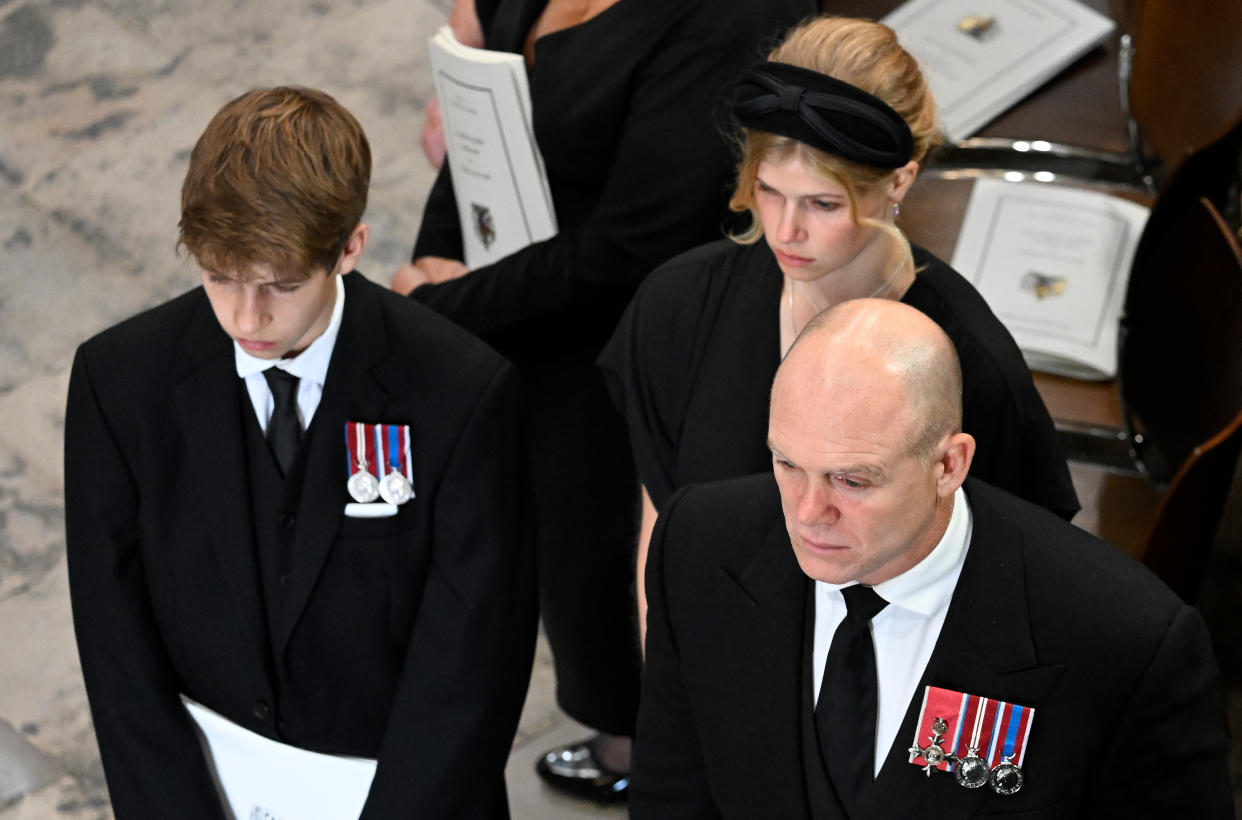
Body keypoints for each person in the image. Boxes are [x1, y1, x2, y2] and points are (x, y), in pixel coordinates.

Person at [64, 86, 537, 819]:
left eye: (280, 285)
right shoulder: (119, 383)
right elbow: (113, 641)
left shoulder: (461, 393)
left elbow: (473, 661)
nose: (245, 317)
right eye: (219, 276)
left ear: (349, 246)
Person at [393, 0, 814, 801]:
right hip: (520, 275)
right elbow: (483, 86)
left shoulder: (726, 23)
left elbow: (633, 250)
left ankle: (639, 747)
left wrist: (441, 307)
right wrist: (438, 252)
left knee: (600, 547)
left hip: (622, 337)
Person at [630, 298, 1234, 819]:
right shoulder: (701, 545)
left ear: (949, 465)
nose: (809, 512)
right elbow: (671, 792)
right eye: (788, 464)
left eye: (853, 480)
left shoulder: (1123, 641)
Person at [597, 16, 1079, 645]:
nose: (786, 230)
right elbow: (662, 528)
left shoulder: (971, 364)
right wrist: (667, 688)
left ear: (899, 181)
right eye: (769, 192)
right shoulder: (678, 306)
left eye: (822, 204)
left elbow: (1010, 585)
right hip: (716, 655)